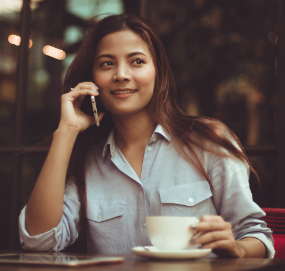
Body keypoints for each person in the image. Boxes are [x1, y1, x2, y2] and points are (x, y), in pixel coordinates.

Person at [19, 14, 274, 258]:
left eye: (137, 61)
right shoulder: (88, 161)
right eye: (107, 63)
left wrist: (237, 248)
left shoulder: (207, 142)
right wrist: (66, 131)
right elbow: (38, 240)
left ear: (157, 71)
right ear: (93, 79)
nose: (121, 74)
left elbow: (256, 236)